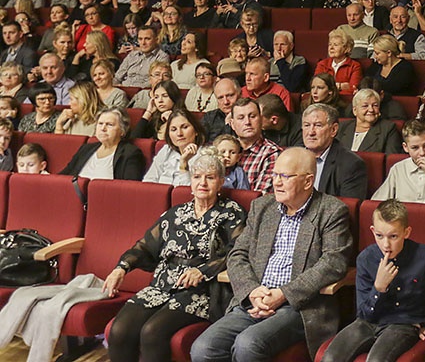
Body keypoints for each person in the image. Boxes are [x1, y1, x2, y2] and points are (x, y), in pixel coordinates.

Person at [189, 147, 354, 361]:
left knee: (248, 344)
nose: (276, 182)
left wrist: (283, 294)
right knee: (203, 347)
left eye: (284, 176)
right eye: (275, 175)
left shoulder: (331, 211)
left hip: (299, 306)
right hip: (255, 299)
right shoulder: (262, 207)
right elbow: (238, 254)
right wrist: (252, 291)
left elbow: (334, 263)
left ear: (307, 181)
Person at [104, 151, 246, 362]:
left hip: (201, 290)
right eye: (197, 176)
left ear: (221, 181)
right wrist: (121, 267)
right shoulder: (175, 214)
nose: (203, 183)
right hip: (162, 285)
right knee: (119, 330)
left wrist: (202, 271)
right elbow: (145, 246)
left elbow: (238, 251)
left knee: (152, 332)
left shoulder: (231, 213)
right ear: (190, 181)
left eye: (210, 177)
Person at [321, 199, 425, 362]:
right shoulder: (365, 259)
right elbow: (363, 312)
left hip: (403, 323)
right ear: (372, 230)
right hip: (369, 321)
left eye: (393, 236)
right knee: (330, 358)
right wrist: (379, 287)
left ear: (406, 232)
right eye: (379, 236)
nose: (386, 244)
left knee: (376, 360)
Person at [302, 103, 368, 200]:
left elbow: (346, 208)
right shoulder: (291, 157)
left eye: (318, 125)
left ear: (333, 130)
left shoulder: (351, 165)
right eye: (307, 125)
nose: (311, 132)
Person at [61, 108, 146, 180]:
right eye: (100, 123)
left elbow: (128, 188)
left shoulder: (130, 153)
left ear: (122, 131)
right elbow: (64, 175)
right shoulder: (86, 149)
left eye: (110, 125)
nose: (103, 128)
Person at [142, 109, 208, 186]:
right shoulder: (166, 150)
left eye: (185, 127)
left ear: (196, 130)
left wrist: (184, 164)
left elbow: (189, 193)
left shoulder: (205, 155)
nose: (179, 133)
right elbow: (148, 181)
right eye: (174, 129)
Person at [233, 97, 283, 193]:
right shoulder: (221, 149)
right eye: (241, 118)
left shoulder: (272, 153)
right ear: (232, 124)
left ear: (260, 120)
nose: (247, 122)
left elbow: (260, 200)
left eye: (252, 116)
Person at [336, 88, 403, 155]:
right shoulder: (342, 126)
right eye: (365, 106)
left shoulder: (388, 128)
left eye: (375, 105)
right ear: (355, 110)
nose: (371, 109)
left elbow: (391, 160)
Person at [314, 29, 363, 95]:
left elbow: (353, 90)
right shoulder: (322, 64)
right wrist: (341, 86)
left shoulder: (354, 66)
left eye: (335, 45)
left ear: (346, 49)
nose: (331, 48)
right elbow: (316, 86)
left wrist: (327, 88)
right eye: (330, 44)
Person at [203, 77, 241, 142]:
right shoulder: (209, 117)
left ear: (240, 94)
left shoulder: (249, 117)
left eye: (230, 95)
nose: (226, 102)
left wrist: (228, 124)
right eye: (220, 98)